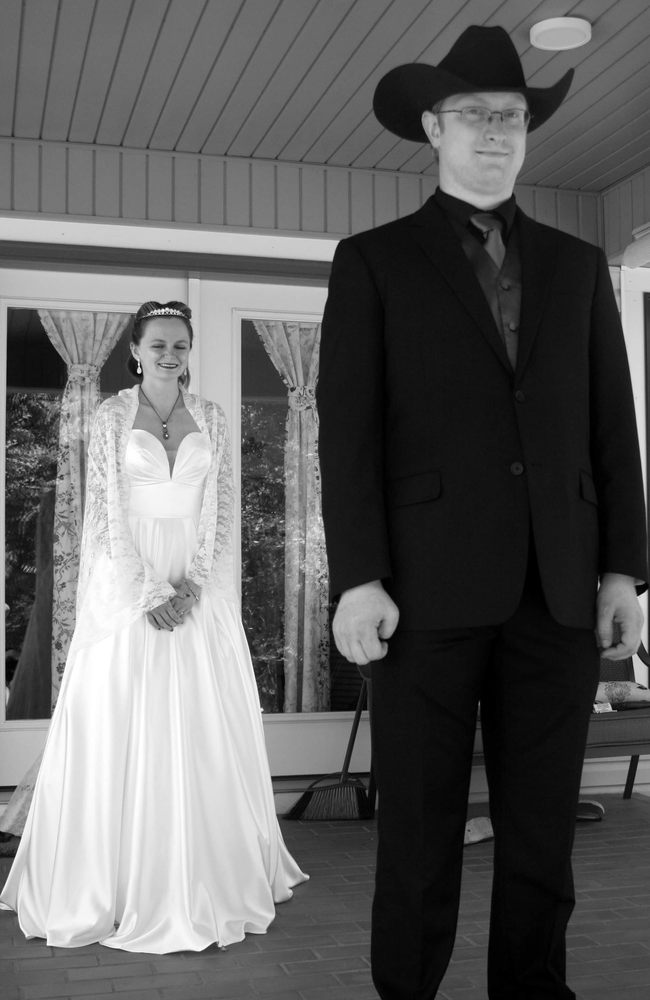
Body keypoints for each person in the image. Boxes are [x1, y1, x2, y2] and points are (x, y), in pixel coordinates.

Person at [316, 25, 647, 1000]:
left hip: (557, 590)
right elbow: (348, 432)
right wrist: (358, 577)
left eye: (510, 117)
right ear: (433, 127)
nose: (495, 132)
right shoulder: (373, 261)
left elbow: (612, 426)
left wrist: (622, 569)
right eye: (474, 116)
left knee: (541, 833)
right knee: (418, 830)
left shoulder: (577, 266)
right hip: (421, 592)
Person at [1, 300, 307, 953]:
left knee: (201, 720)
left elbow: (220, 509)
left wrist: (193, 584)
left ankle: (207, 873)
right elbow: (106, 512)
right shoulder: (112, 417)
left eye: (180, 345)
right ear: (136, 351)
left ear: (189, 352)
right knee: (122, 714)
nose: (170, 354)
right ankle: (111, 882)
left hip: (197, 584)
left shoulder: (213, 417)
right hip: (128, 578)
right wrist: (147, 592)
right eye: (159, 344)